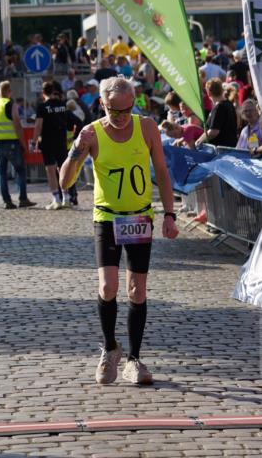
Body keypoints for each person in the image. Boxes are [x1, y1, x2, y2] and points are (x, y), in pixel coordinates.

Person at [59, 76, 179, 386]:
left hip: (139, 217)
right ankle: (110, 347)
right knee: (107, 287)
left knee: (137, 291)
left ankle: (135, 359)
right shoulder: (93, 133)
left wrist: (169, 214)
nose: (122, 118)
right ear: (102, 105)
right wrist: (76, 148)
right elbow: (64, 182)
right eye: (115, 111)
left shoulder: (147, 127)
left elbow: (163, 172)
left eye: (128, 110)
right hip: (107, 218)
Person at [0, 80, 36, 209]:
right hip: (11, 143)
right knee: (20, 170)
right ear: (8, 91)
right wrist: (23, 143)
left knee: (1, 173)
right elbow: (17, 124)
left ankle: (7, 201)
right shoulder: (10, 104)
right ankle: (23, 198)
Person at [32, 80, 72, 209]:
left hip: (48, 142)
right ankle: (66, 197)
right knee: (63, 169)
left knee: (50, 170)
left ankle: (56, 199)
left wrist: (34, 141)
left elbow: (38, 125)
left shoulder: (42, 107)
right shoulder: (62, 104)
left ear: (43, 92)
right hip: (61, 141)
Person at [195, 79, 238, 148]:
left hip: (221, 150)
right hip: (231, 147)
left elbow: (214, 131)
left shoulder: (219, 107)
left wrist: (199, 141)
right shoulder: (229, 104)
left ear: (208, 92)